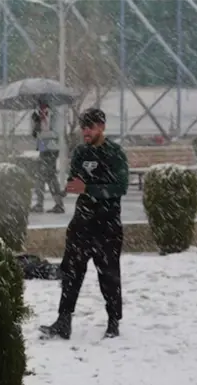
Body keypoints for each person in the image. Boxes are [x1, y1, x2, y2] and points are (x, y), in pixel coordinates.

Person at [39, 108, 129, 340]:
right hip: (82, 222)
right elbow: (75, 179)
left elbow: (120, 187)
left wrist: (89, 188)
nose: (86, 132)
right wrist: (71, 185)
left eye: (90, 127)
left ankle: (113, 321)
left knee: (109, 275)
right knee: (71, 272)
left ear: (101, 127)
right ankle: (63, 320)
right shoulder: (80, 152)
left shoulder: (115, 153)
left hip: (107, 224)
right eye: (83, 127)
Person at [31, 101, 65, 214]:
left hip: (52, 149)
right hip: (42, 149)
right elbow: (34, 134)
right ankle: (53, 204)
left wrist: (41, 133)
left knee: (45, 176)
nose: (40, 108)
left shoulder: (54, 115)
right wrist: (35, 123)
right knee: (46, 177)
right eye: (39, 106)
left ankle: (52, 204)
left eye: (42, 105)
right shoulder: (37, 116)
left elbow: (56, 133)